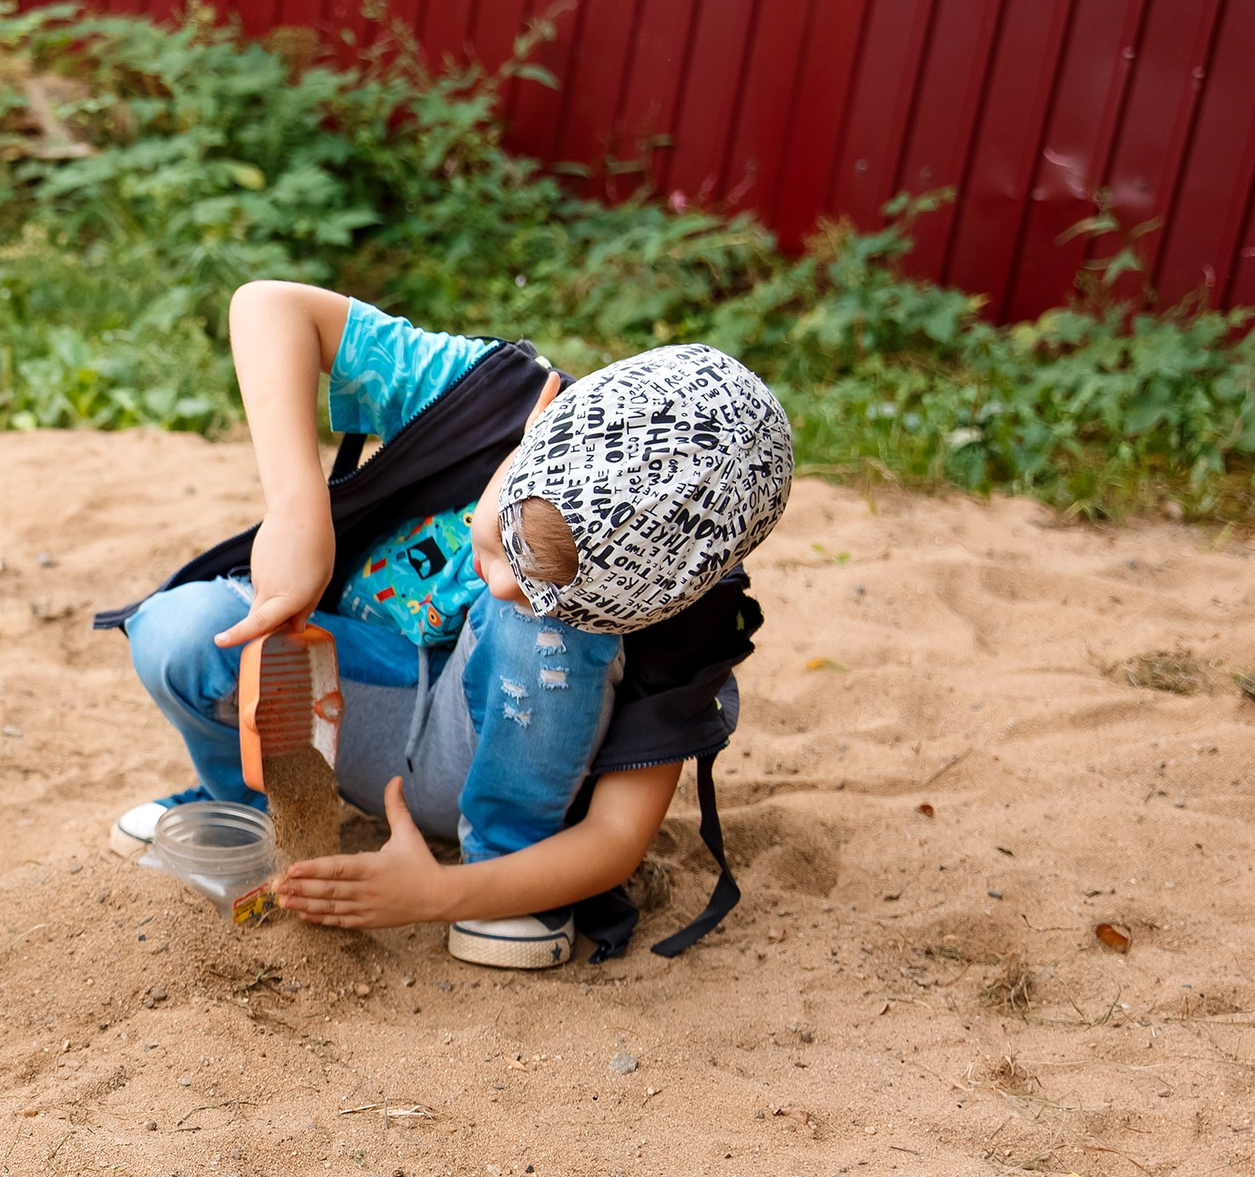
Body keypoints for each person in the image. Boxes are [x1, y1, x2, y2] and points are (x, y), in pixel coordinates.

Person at [103, 280, 790, 969]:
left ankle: (506, 867)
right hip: (342, 713)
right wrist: (296, 508)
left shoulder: (687, 603)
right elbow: (268, 305)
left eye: (548, 591)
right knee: (180, 632)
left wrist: (439, 894)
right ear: (540, 423)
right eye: (507, 540)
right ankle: (248, 813)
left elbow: (615, 839)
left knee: (540, 629)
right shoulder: (492, 398)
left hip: (498, 759)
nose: (502, 584)